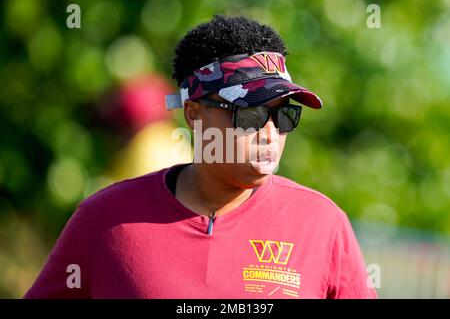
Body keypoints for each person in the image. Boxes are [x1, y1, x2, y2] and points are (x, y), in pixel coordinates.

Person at [24, 15, 377, 299]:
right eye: (250, 113)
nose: (270, 132)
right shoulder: (105, 220)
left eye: (284, 114)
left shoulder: (321, 224)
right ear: (194, 114)